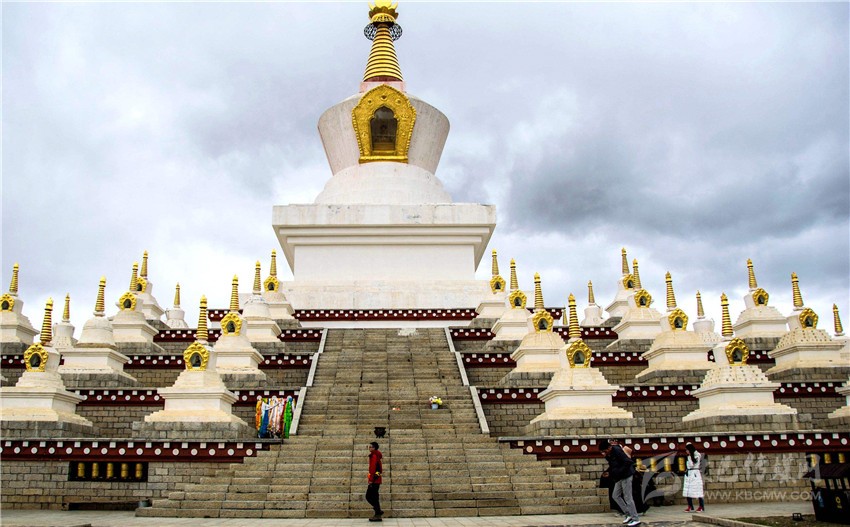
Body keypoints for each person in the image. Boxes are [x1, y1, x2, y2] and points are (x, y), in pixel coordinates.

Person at [600, 439, 641, 527]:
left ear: (609, 448)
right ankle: (628, 514)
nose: (603, 453)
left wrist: (617, 472)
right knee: (615, 495)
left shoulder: (617, 451)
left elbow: (628, 462)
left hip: (626, 475)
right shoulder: (609, 455)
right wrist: (609, 472)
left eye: (604, 451)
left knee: (628, 497)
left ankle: (635, 518)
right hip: (619, 477)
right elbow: (613, 466)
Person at [683, 442, 705, 512]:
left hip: (695, 473)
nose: (686, 451)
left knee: (698, 490)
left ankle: (701, 506)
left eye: (687, 450)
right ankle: (690, 506)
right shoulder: (689, 456)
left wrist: (689, 458)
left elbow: (692, 464)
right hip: (689, 474)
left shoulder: (697, 455)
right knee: (688, 490)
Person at [366, 442, 384, 522]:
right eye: (369, 446)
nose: (369, 448)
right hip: (376, 479)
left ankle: (378, 512)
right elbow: (378, 470)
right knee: (374, 497)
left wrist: (371, 480)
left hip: (374, 480)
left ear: (374, 448)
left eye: (371, 447)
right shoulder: (375, 455)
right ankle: (378, 512)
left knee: (369, 496)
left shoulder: (374, 456)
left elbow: (374, 469)